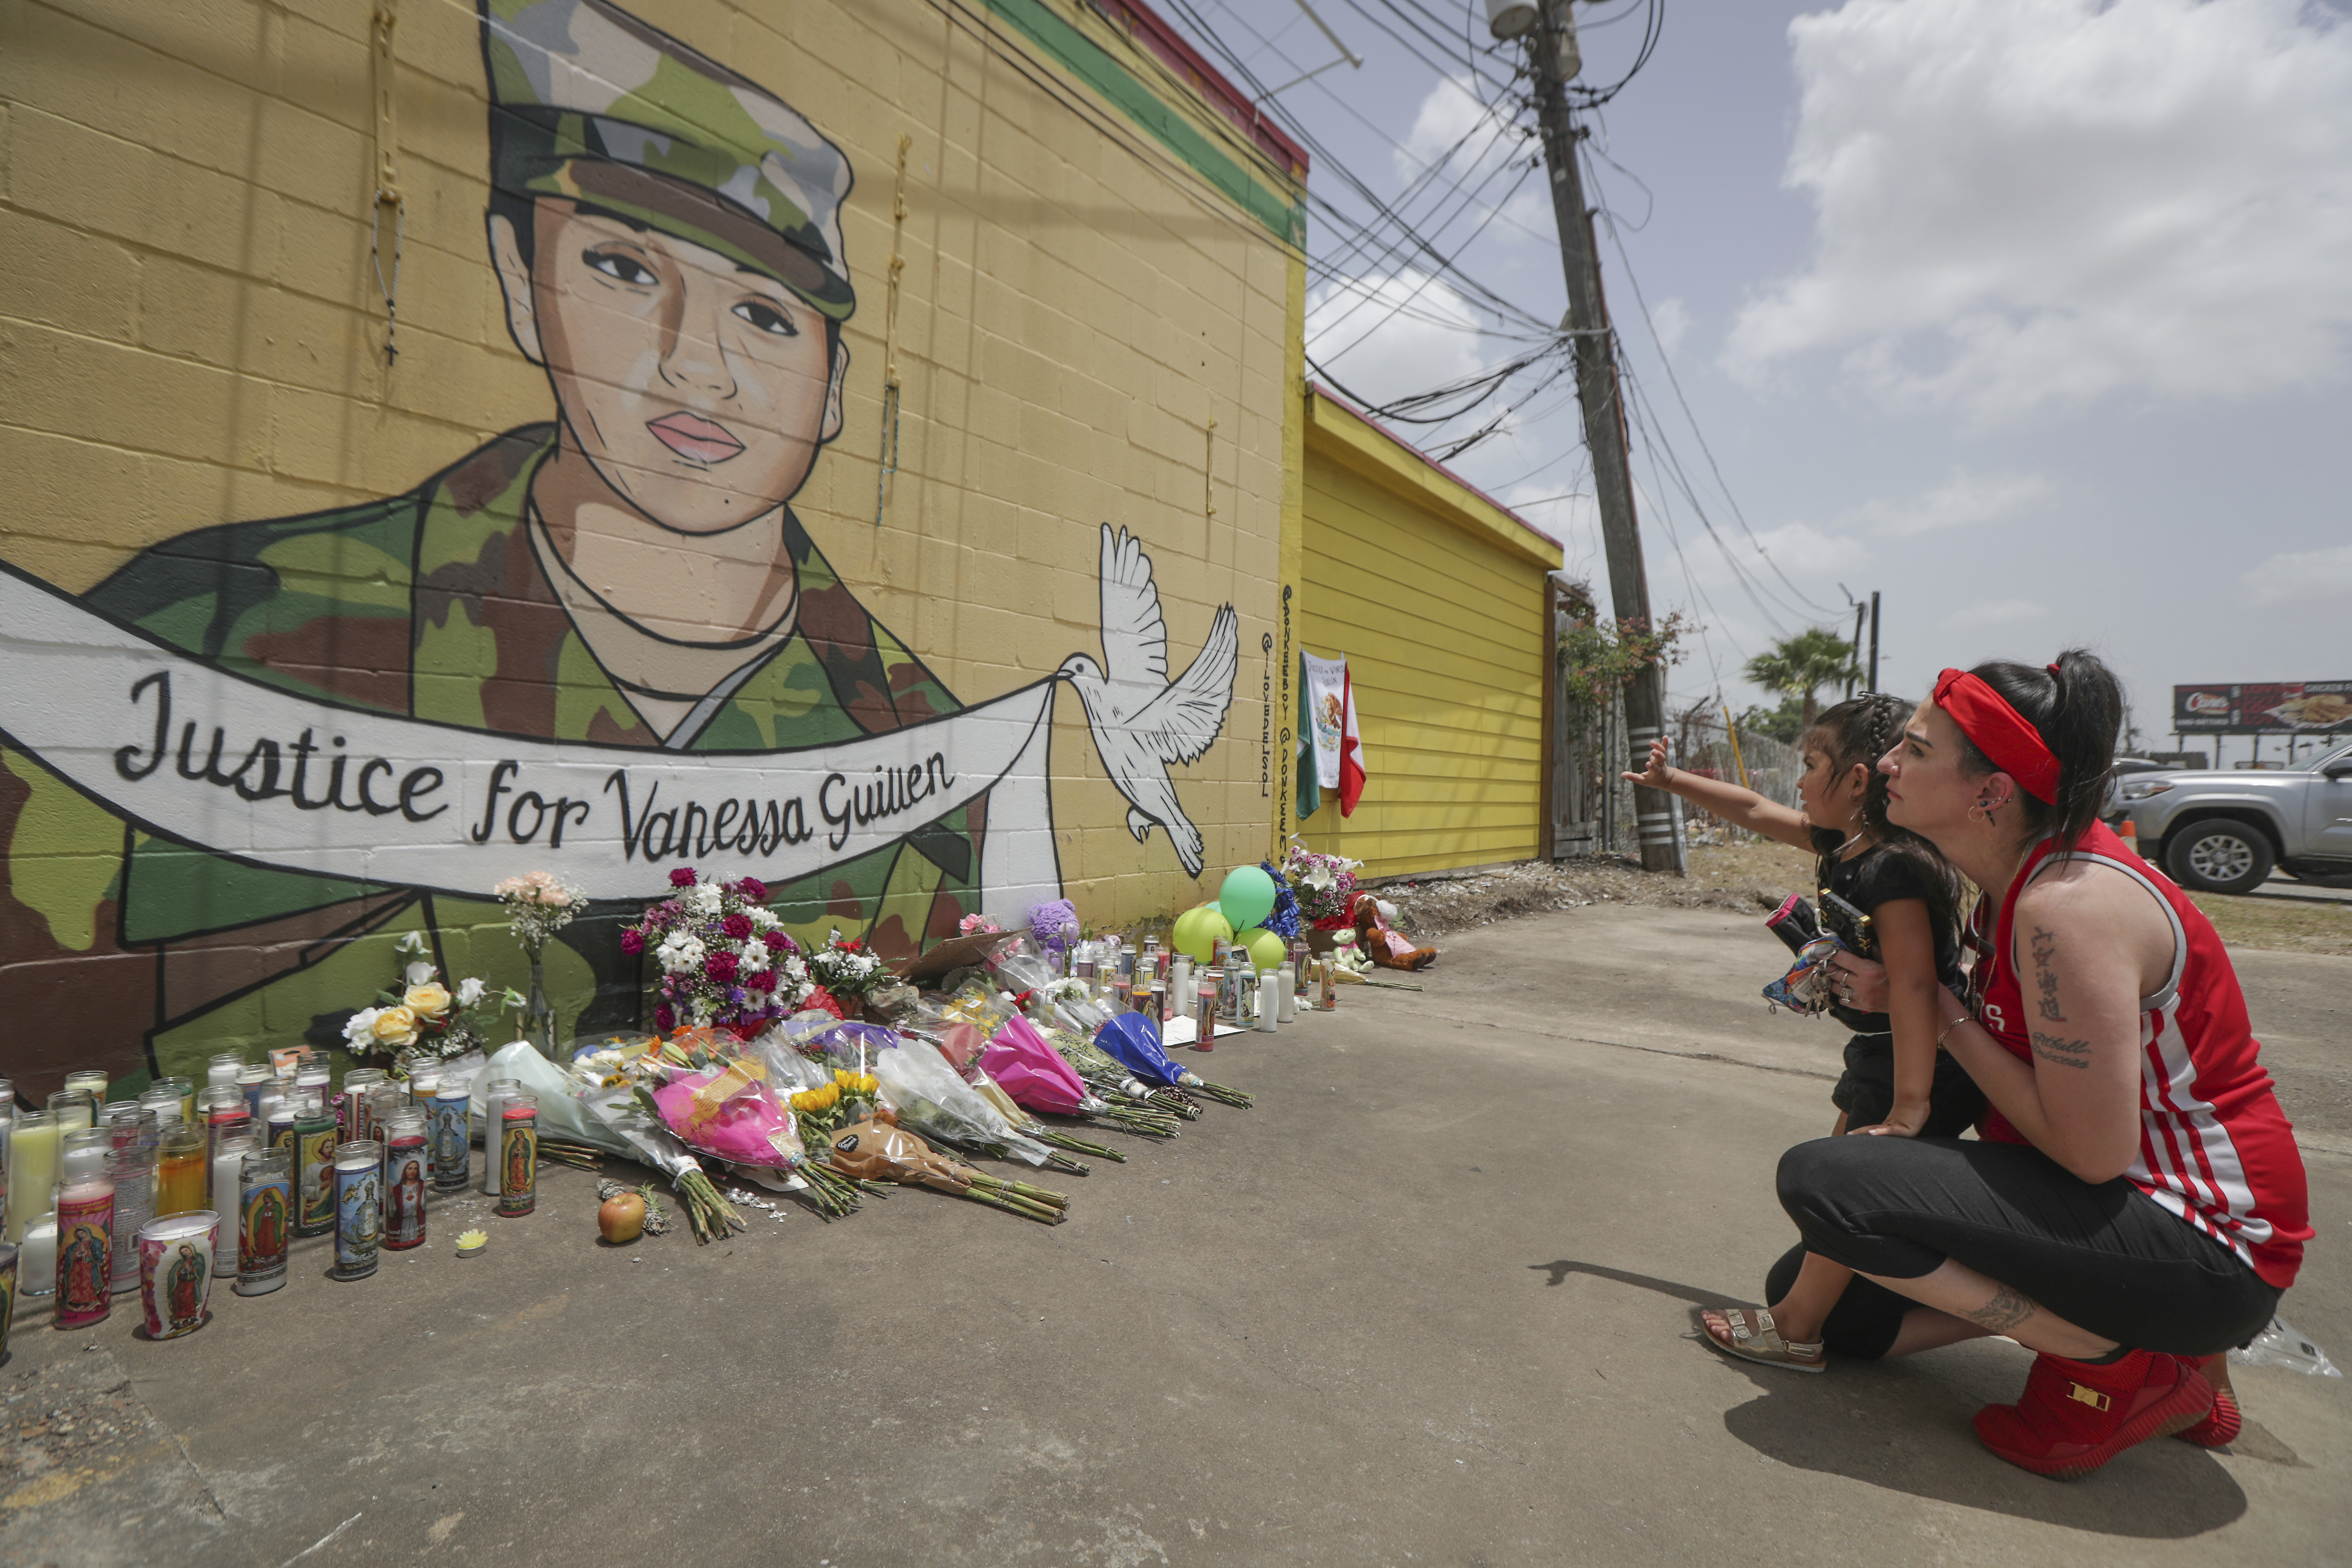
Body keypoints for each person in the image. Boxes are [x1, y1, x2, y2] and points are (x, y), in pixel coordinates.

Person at [0, 0, 977, 1087]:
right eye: (623, 269)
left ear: (836, 385)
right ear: (521, 281)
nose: (697, 367)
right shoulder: (199, 640)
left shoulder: (921, 749)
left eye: (766, 315)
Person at [1784, 651, 2310, 1477]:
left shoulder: (2066, 907)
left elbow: (2092, 1151)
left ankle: (2120, 1365)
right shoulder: (2010, 886)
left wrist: (1936, 1012)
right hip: (2135, 1215)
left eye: (1917, 750)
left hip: (2205, 1245)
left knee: (1829, 1184)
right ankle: (2172, 1357)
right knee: (1839, 1300)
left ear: (1992, 793)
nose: (1886, 762)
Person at [1624, 695, 1982, 1372]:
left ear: (1855, 781)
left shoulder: (1896, 869)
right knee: (1836, 1188)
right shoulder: (1842, 844)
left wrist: (1911, 1106)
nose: (1797, 780)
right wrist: (1672, 783)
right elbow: (1756, 811)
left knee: (1848, 1201)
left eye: (1811, 764)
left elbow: (1912, 987)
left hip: (1921, 1068)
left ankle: (1797, 1327)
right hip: (1880, 1055)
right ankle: (1814, 1307)